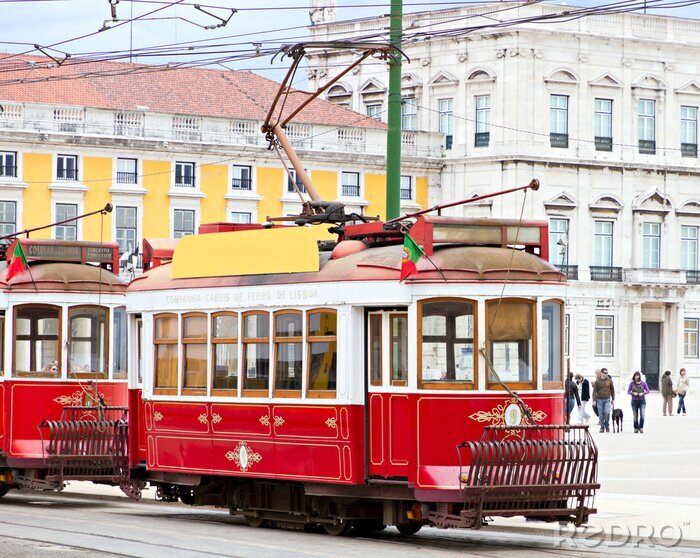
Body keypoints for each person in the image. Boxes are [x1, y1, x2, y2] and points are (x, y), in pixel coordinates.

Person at [592, 368, 615, 432]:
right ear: (601, 373)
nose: (606, 374)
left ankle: (607, 425)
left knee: (607, 412)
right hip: (599, 399)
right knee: (601, 414)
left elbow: (612, 389)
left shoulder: (609, 380)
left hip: (607, 399)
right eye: (605, 373)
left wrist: (613, 398)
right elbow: (594, 391)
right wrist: (594, 400)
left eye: (607, 373)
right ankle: (602, 427)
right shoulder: (597, 381)